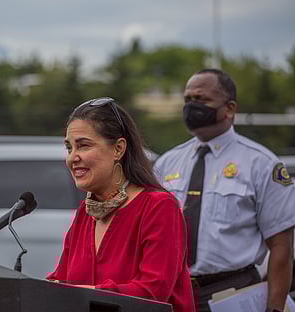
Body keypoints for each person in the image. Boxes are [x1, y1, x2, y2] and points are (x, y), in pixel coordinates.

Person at [154, 68, 295, 312]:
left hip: (231, 294)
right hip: (175, 293)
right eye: (188, 100)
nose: (192, 106)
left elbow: (281, 247)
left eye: (202, 100)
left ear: (230, 109)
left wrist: (275, 308)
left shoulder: (261, 164)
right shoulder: (167, 162)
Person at [47, 97, 195, 312]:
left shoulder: (159, 207)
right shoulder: (85, 213)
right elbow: (60, 281)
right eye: (69, 148)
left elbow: (152, 293)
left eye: (84, 145)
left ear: (118, 148)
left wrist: (80, 294)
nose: (72, 158)